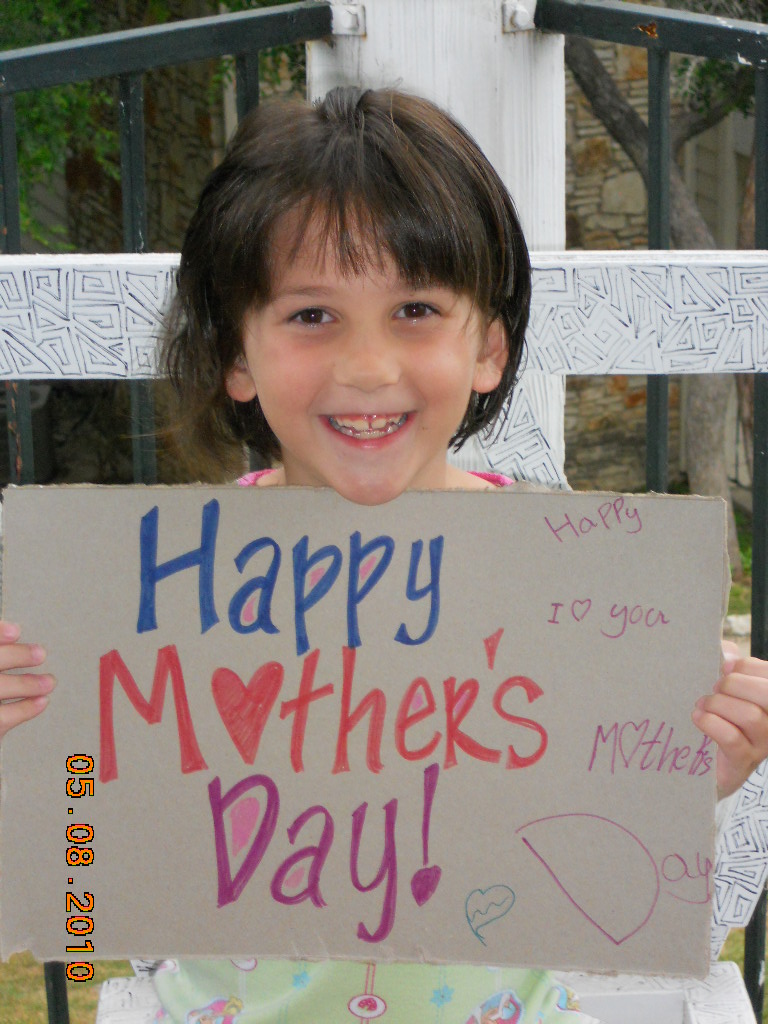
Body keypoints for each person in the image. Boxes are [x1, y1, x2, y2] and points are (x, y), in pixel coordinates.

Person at [0, 86, 766, 1024]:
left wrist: (682, 781)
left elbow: (602, 875)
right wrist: (24, 761)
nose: (367, 367)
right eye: (311, 316)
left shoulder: (566, 595)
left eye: (414, 308)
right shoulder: (150, 602)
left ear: (488, 350)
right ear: (236, 355)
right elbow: (82, 906)